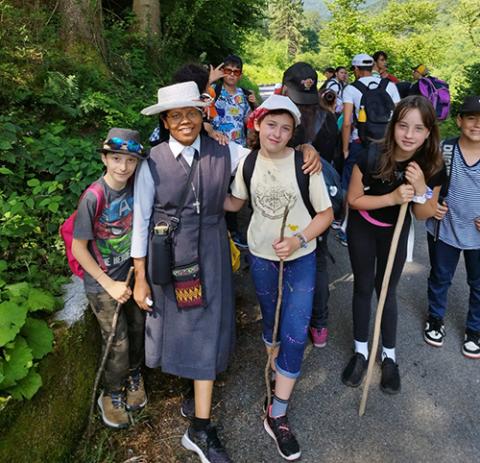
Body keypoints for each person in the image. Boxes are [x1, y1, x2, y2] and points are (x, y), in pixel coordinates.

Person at [132, 82, 321, 463]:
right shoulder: (151, 162)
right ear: (166, 122)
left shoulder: (226, 150)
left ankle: (199, 423)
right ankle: (197, 409)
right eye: (175, 115)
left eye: (191, 112)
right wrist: (140, 275)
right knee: (183, 321)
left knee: (206, 324)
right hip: (171, 256)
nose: (185, 121)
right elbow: (139, 219)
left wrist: (306, 149)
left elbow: (269, 151)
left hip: (213, 253)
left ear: (203, 115)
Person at [224, 95, 333, 461]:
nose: (278, 132)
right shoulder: (248, 163)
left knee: (295, 329)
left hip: (300, 259)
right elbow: (235, 203)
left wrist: (299, 238)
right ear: (257, 124)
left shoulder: (306, 164)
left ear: (294, 133)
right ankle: (274, 371)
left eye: (286, 128)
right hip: (260, 257)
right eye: (271, 124)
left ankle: (278, 412)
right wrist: (192, 196)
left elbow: (326, 214)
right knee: (271, 323)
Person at [341, 95, 445, 394]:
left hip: (395, 232)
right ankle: (361, 351)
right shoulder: (371, 154)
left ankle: (389, 356)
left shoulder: (432, 165)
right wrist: (392, 197)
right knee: (363, 286)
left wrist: (423, 189)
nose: (409, 135)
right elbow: (354, 200)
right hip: (364, 226)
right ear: (393, 126)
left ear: (428, 132)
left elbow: (424, 214)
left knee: (386, 290)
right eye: (403, 126)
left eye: (418, 128)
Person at [71, 128, 148, 429]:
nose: (123, 167)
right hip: (104, 283)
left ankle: (134, 376)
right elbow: (79, 249)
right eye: (116, 158)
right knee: (117, 340)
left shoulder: (136, 188)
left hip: (131, 275)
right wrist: (109, 284)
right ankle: (111, 394)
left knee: (139, 326)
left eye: (130, 160)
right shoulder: (94, 197)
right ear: (104, 158)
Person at [282, 61, 339, 348]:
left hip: (287, 200)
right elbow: (337, 161)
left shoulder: (280, 119)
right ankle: (319, 325)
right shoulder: (328, 118)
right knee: (317, 257)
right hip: (322, 202)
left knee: (284, 255)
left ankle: (289, 323)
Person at [424, 96, 480, 359]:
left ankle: (475, 329)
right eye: (471, 117)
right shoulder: (444, 150)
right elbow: (425, 187)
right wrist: (431, 204)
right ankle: (435, 318)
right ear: (459, 120)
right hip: (443, 229)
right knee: (440, 277)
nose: (477, 124)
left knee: (478, 284)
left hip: (478, 236)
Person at [339, 53, 401, 246]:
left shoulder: (351, 89)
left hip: (361, 144)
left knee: (351, 186)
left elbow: (347, 122)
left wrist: (345, 148)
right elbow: (399, 117)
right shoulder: (389, 85)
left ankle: (346, 229)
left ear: (356, 69)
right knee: (385, 183)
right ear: (372, 67)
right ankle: (385, 226)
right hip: (387, 145)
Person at [211, 54, 256, 248]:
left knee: (235, 190)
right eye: (227, 71)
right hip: (216, 150)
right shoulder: (213, 91)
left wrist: (255, 104)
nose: (231, 75)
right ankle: (218, 228)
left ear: (240, 74)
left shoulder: (244, 95)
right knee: (218, 188)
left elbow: (252, 121)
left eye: (235, 72)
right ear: (222, 72)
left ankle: (233, 230)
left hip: (238, 151)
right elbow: (200, 112)